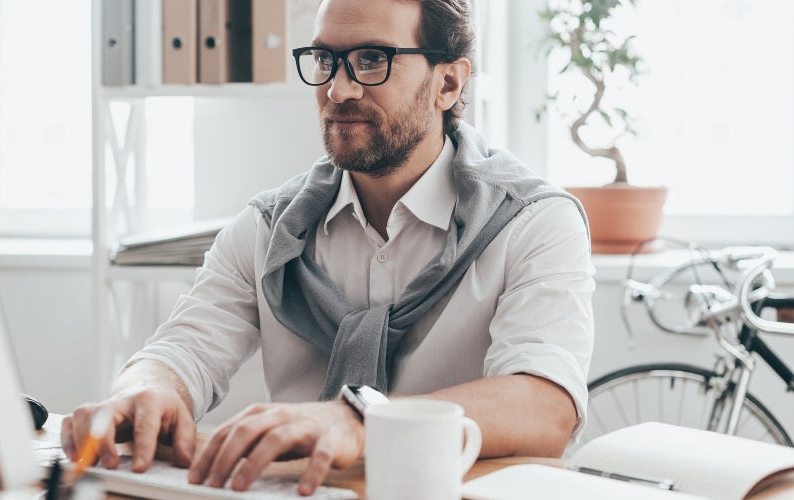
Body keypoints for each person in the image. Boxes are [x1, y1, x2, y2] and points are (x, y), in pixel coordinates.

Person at [62, 0, 594, 495]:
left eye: (370, 60)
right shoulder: (268, 227)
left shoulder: (534, 222)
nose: (337, 90)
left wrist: (361, 419)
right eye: (324, 59)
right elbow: (180, 351)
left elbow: (545, 405)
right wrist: (143, 390)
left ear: (448, 83)